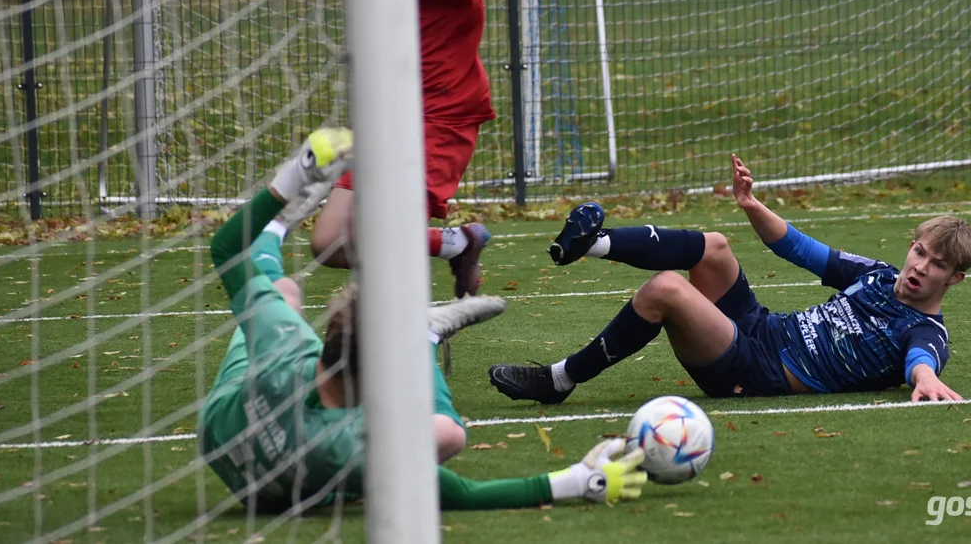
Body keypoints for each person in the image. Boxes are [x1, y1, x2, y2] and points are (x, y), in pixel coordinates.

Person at [199, 129, 648, 513]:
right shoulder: (357, 445)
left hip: (221, 434)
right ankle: (425, 333)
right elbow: (465, 494)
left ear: (329, 341)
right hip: (290, 496)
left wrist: (299, 171)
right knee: (448, 435)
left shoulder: (279, 345)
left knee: (283, 294)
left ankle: (281, 219)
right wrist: (580, 480)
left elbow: (225, 249)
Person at [489, 153, 971, 405]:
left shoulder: (926, 333)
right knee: (716, 246)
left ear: (954, 279)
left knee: (666, 288)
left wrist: (926, 380)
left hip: (758, 372)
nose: (920, 267)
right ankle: (593, 244)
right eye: (919, 251)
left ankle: (560, 379)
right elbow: (798, 247)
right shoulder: (878, 275)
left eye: (937, 264)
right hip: (762, 328)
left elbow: (921, 361)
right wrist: (751, 203)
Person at [310, 0, 496, 299]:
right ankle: (457, 243)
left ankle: (413, 351)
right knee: (328, 242)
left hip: (442, 120)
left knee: (385, 241)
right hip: (390, 120)